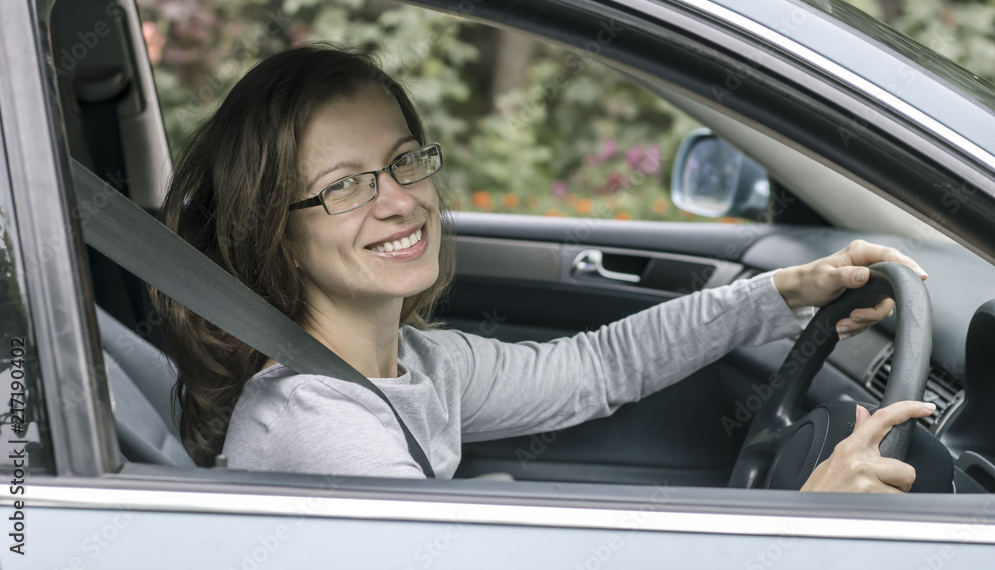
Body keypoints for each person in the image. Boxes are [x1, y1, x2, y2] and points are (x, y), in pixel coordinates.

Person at [153, 43, 933, 493]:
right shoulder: (322, 431)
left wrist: (786, 293)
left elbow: (594, 367)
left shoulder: (414, 365)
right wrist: (804, 521)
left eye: (401, 162)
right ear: (274, 232)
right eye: (346, 185)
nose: (397, 201)